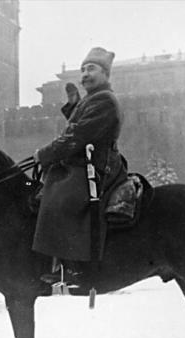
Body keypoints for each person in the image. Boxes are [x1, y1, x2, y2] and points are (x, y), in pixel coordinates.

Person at [32, 47, 128, 287]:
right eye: (83, 69)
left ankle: (73, 266)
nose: (85, 74)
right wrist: (73, 107)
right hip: (86, 163)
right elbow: (80, 126)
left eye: (92, 69)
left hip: (97, 166)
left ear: (106, 74)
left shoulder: (105, 100)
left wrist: (44, 154)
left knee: (61, 197)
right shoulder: (94, 99)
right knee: (51, 184)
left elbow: (78, 135)